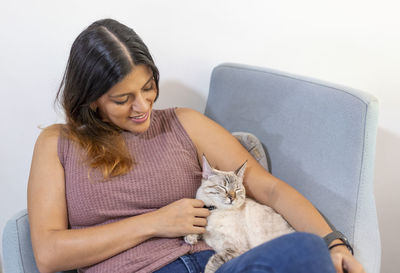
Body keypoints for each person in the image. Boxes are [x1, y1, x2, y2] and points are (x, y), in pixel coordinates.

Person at [27, 18, 365, 273]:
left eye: (148, 88)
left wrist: (333, 243)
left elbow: (270, 189)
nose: (143, 106)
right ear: (92, 100)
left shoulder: (184, 123)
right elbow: (49, 253)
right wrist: (155, 222)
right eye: (122, 99)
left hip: (214, 264)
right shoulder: (58, 143)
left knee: (304, 250)